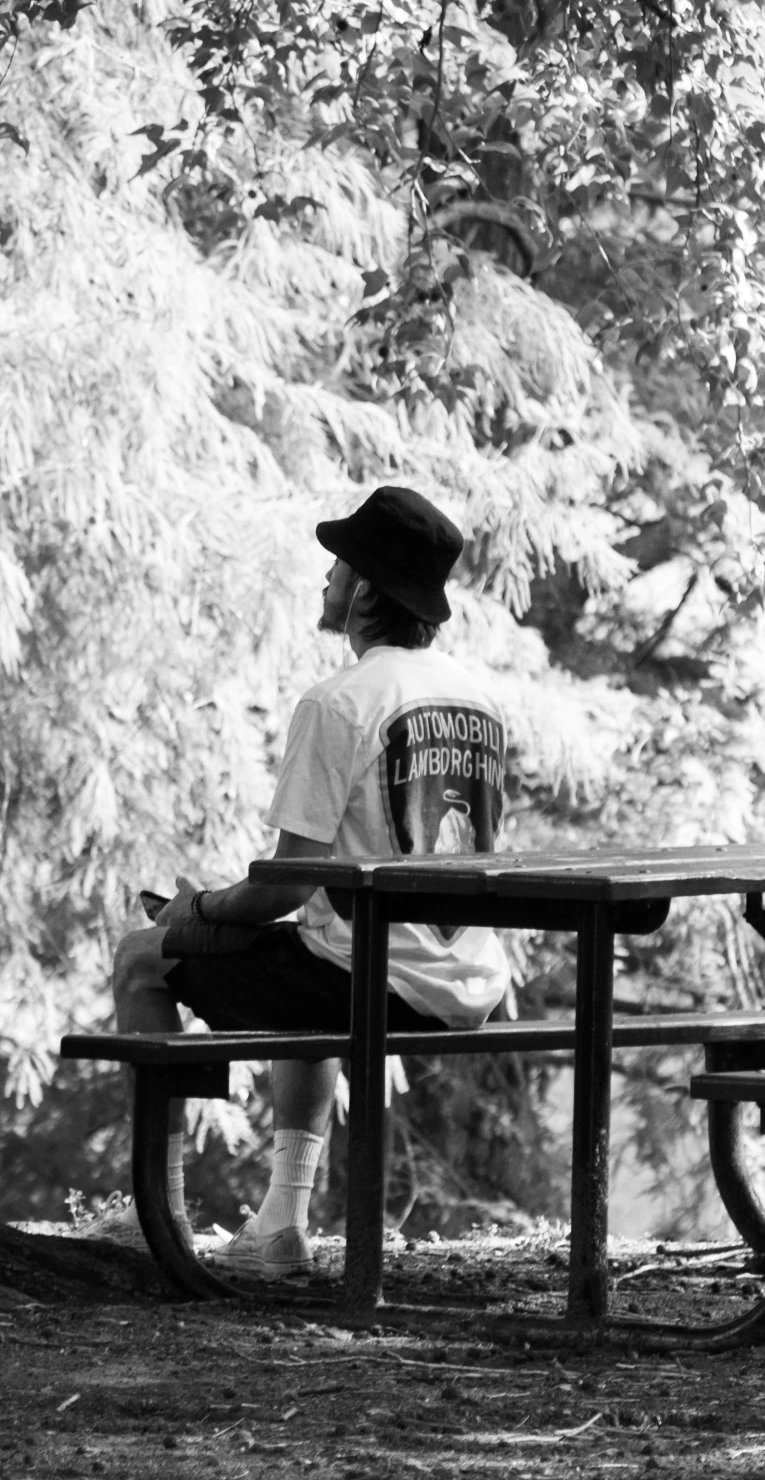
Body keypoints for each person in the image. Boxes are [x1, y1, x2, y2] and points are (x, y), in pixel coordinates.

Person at [106, 485, 513, 1273]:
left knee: (139, 955)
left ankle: (159, 1217)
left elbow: (286, 884)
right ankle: (279, 1224)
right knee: (318, 953)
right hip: (468, 981)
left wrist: (199, 908)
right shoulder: (480, 700)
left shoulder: (338, 703)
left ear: (363, 588)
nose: (324, 578)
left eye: (336, 563)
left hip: (381, 980)